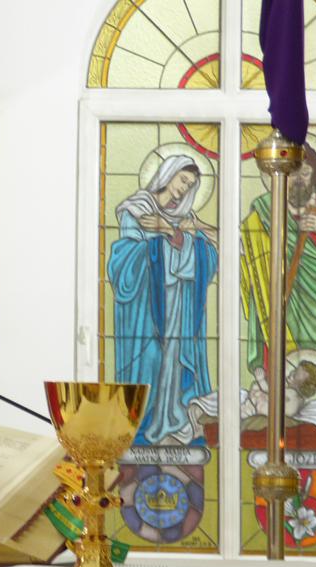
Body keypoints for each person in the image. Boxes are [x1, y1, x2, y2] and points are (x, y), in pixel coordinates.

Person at [107, 155, 218, 446]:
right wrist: (170, 240)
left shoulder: (185, 218)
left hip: (179, 309)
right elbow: (124, 259)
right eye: (183, 179)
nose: (184, 188)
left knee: (175, 363)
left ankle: (176, 422)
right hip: (146, 309)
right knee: (151, 362)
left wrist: (171, 232)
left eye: (190, 185)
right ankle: (142, 424)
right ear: (168, 174)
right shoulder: (137, 209)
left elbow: (212, 253)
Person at [241, 143, 316, 388]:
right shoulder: (265, 209)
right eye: (293, 173)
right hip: (284, 297)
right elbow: (251, 251)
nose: (298, 180)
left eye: (305, 173)